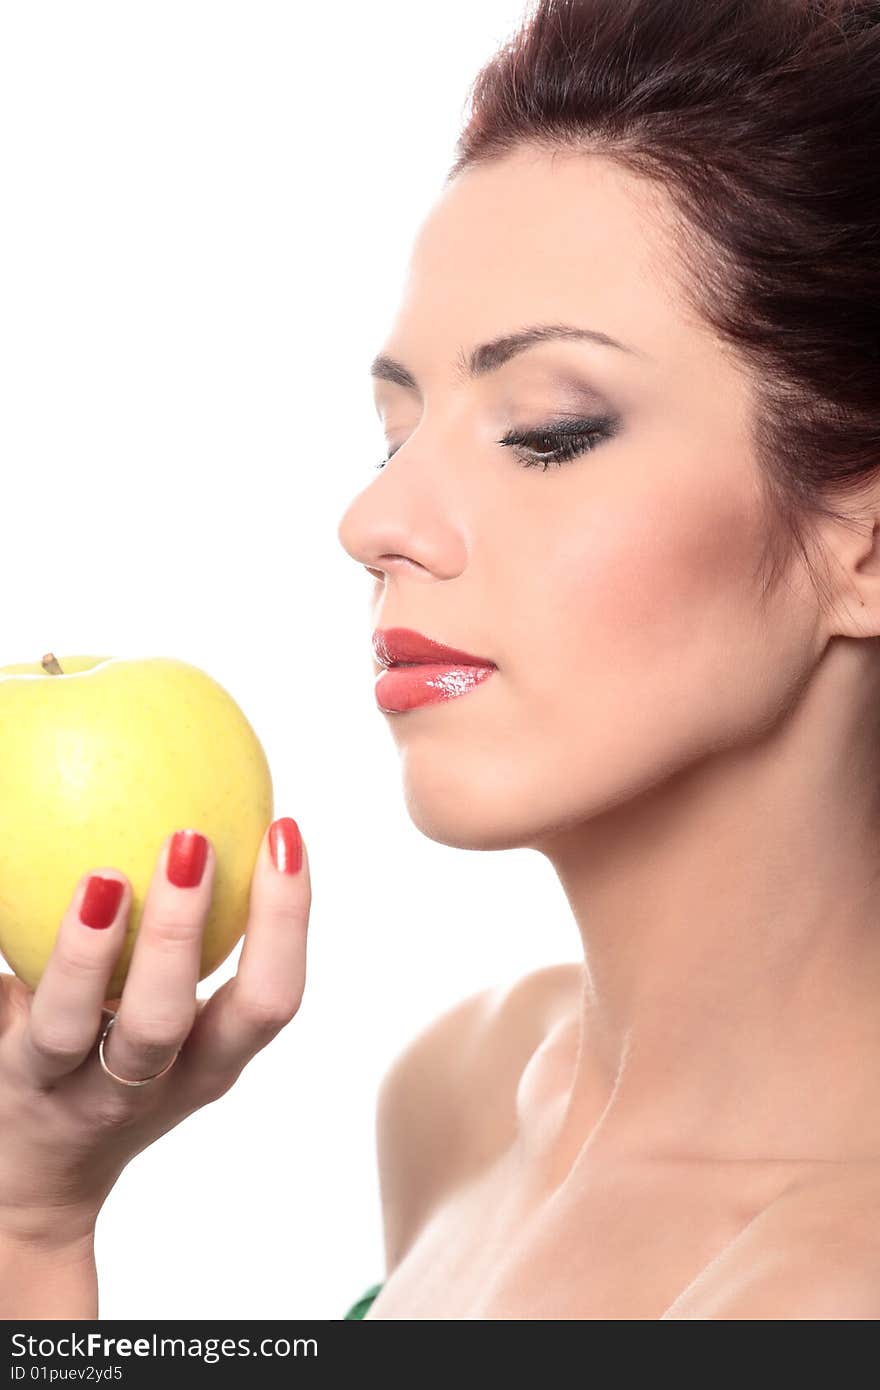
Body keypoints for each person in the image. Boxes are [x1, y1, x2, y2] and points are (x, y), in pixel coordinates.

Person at [4, 0, 880, 1320]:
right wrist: (32, 1219)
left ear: (863, 550)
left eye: (546, 429)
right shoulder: (464, 1095)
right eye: (392, 433)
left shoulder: (832, 1282)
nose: (373, 523)